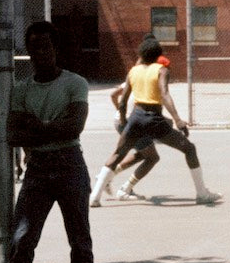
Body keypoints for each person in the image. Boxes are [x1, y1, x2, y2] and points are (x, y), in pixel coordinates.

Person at [0, 21, 95, 263]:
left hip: (70, 165)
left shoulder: (75, 83)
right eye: (34, 47)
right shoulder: (21, 90)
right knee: (22, 241)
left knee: (79, 242)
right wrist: (50, 128)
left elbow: (74, 128)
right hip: (37, 169)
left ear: (55, 48)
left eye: (46, 46)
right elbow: (13, 135)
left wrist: (35, 127)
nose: (41, 53)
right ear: (29, 51)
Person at [89, 34, 221, 207]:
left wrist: (123, 120)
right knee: (189, 149)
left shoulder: (133, 71)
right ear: (158, 54)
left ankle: (95, 197)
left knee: (117, 154)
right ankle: (202, 193)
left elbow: (122, 101)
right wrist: (177, 119)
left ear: (141, 53)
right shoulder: (161, 70)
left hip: (135, 117)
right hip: (154, 118)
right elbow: (164, 95)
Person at [106, 54, 171, 201]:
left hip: (125, 121)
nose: (167, 72)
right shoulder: (151, 83)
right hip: (132, 123)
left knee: (142, 154)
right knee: (152, 157)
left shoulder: (136, 77)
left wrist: (120, 111)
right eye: (166, 68)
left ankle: (107, 176)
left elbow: (114, 95)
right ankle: (124, 188)